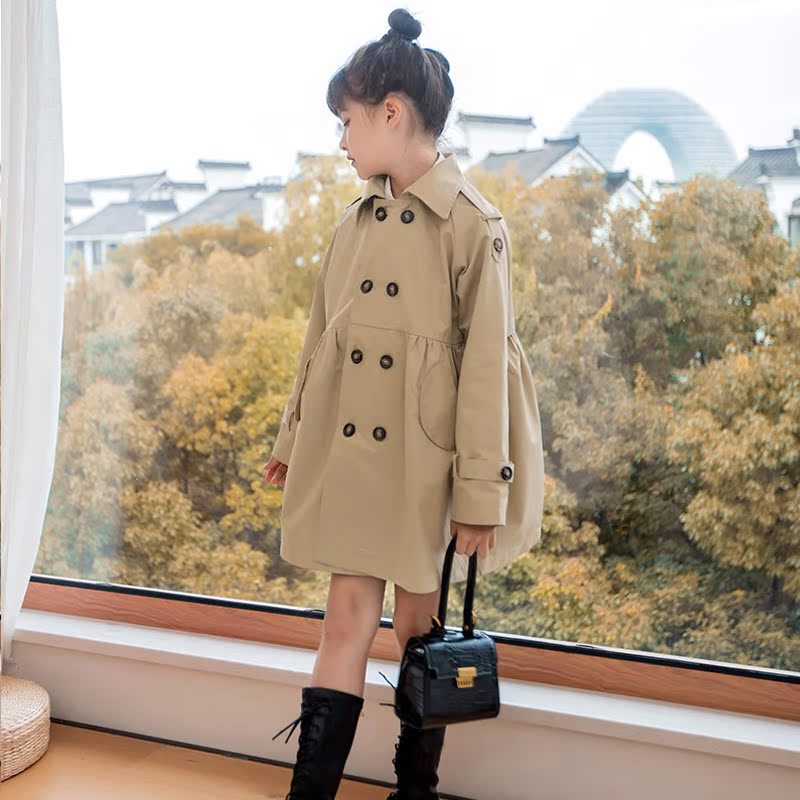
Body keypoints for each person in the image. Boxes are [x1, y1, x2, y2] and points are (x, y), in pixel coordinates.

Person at [262, 8, 545, 799]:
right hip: (356, 456)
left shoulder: (473, 226)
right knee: (344, 622)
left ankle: (414, 791)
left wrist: (480, 496)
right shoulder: (352, 225)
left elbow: (487, 371)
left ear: (391, 113)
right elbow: (320, 342)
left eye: (346, 122)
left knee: (418, 633)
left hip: (428, 465)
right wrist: (292, 440)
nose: (341, 141)